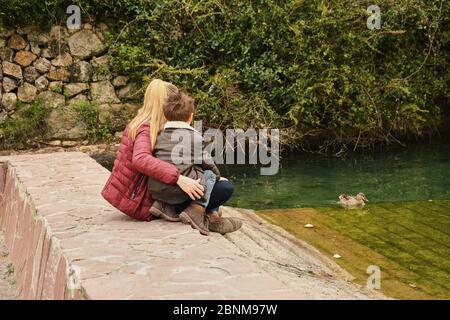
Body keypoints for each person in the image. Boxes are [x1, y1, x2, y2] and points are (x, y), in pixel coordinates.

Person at [101, 79, 241, 235]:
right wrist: (179, 179)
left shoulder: (142, 124)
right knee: (223, 188)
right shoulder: (146, 128)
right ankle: (203, 215)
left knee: (207, 182)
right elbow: (140, 159)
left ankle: (210, 215)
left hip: (144, 195)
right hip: (144, 202)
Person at [147, 89, 240, 235]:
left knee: (195, 171)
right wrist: (217, 178)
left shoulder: (158, 135)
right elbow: (209, 163)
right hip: (182, 193)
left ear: (166, 116)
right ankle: (198, 210)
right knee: (221, 183)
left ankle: (167, 207)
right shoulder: (194, 138)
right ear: (190, 117)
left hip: (158, 192)